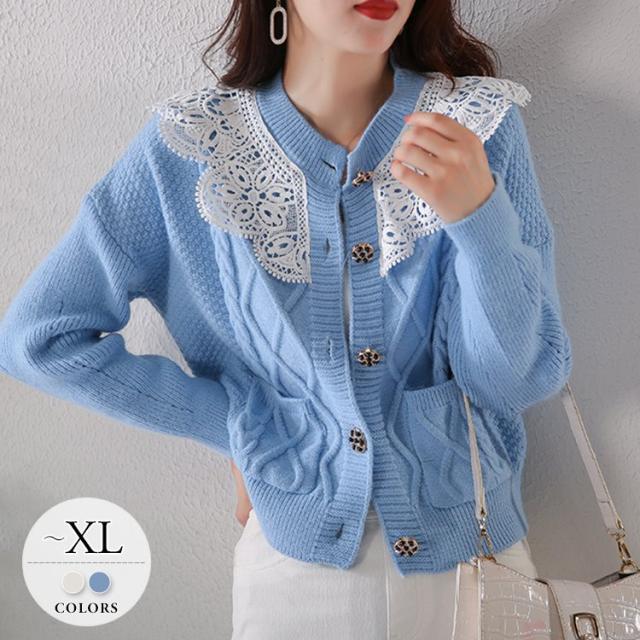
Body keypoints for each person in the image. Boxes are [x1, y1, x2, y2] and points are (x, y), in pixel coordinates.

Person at [0, 0, 572, 637]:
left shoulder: (477, 125)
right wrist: (240, 428)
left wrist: (479, 220)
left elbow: (515, 382)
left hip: (480, 567)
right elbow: (39, 340)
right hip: (295, 574)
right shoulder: (194, 144)